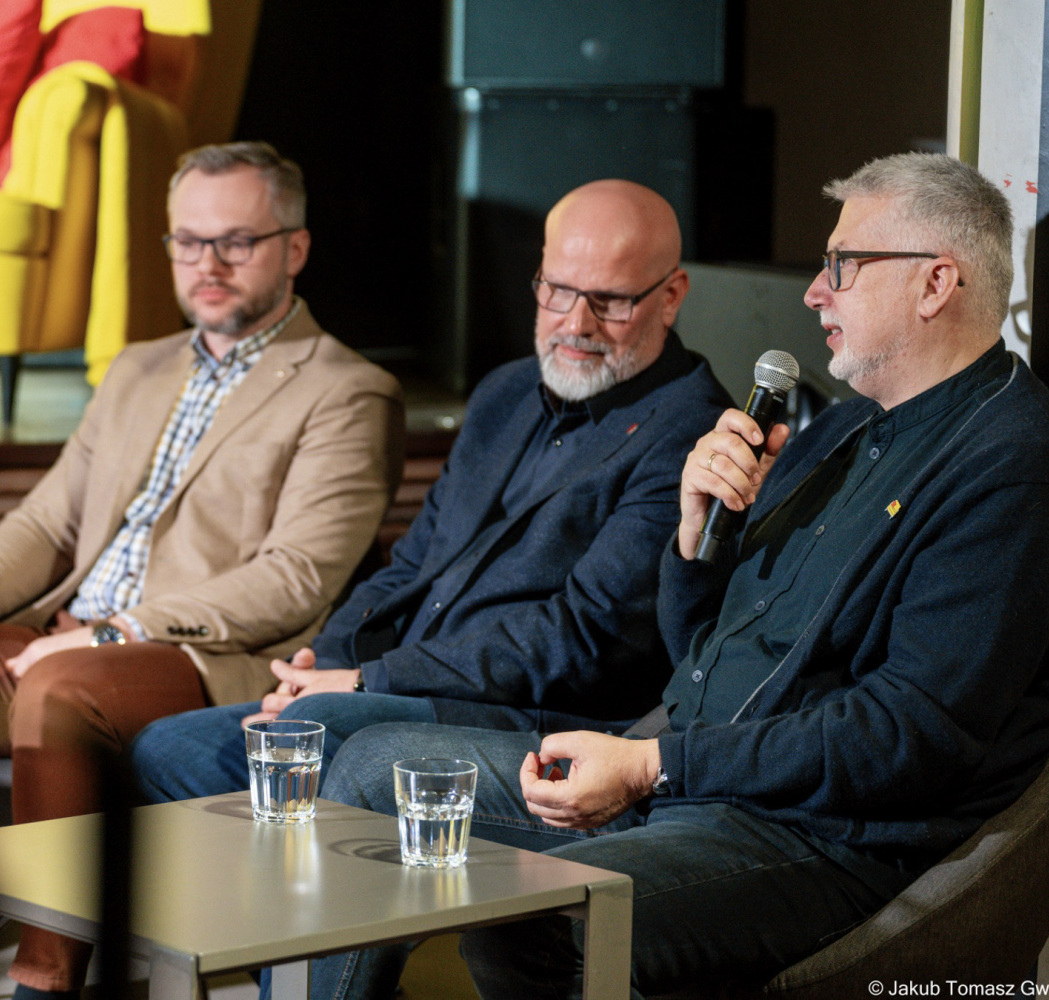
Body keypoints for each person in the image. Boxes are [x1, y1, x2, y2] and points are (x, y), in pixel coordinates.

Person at [311, 152, 1049, 1000]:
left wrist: (655, 766)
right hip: (699, 776)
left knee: (535, 924)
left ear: (936, 283)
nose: (815, 292)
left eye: (843, 265)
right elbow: (702, 648)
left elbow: (904, 738)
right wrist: (696, 540)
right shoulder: (845, 430)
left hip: (818, 837)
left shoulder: (1015, 473)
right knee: (369, 768)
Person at [0, 141, 405, 1000]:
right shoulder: (137, 367)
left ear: (295, 249)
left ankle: (45, 982)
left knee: (62, 688)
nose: (208, 265)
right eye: (188, 242)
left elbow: (296, 578)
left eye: (236, 242)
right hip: (60, 639)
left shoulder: (349, 390)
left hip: (198, 659)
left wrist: (115, 631)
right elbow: (48, 520)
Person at [131, 179, 731, 803]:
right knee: (165, 748)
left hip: (534, 721)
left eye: (609, 302)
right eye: (556, 290)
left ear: (670, 296)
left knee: (312, 733)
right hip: (401, 690)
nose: (576, 324)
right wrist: (319, 666)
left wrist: (367, 682)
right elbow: (412, 565)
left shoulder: (690, 432)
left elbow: (582, 638)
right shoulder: (506, 393)